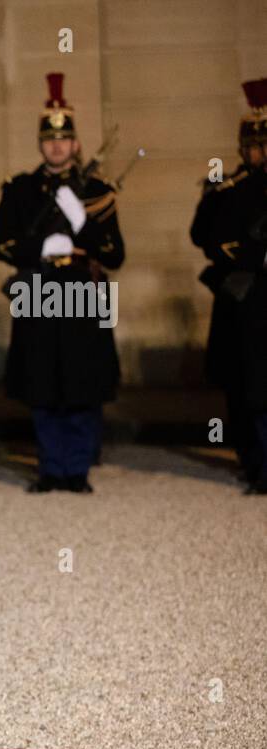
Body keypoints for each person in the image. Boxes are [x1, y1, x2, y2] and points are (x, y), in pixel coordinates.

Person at [0, 72, 125, 493]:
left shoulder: (97, 190)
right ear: (41, 143)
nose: (57, 145)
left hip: (83, 291)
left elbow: (116, 253)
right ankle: (51, 468)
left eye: (64, 139)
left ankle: (78, 470)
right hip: (39, 289)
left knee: (83, 383)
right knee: (42, 382)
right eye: (49, 138)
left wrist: (82, 223)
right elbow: (1, 244)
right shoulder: (21, 191)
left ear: (76, 143)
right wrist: (40, 247)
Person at [190, 78, 267, 494]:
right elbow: (206, 237)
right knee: (243, 388)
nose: (259, 153)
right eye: (256, 146)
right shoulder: (229, 189)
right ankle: (253, 461)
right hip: (245, 303)